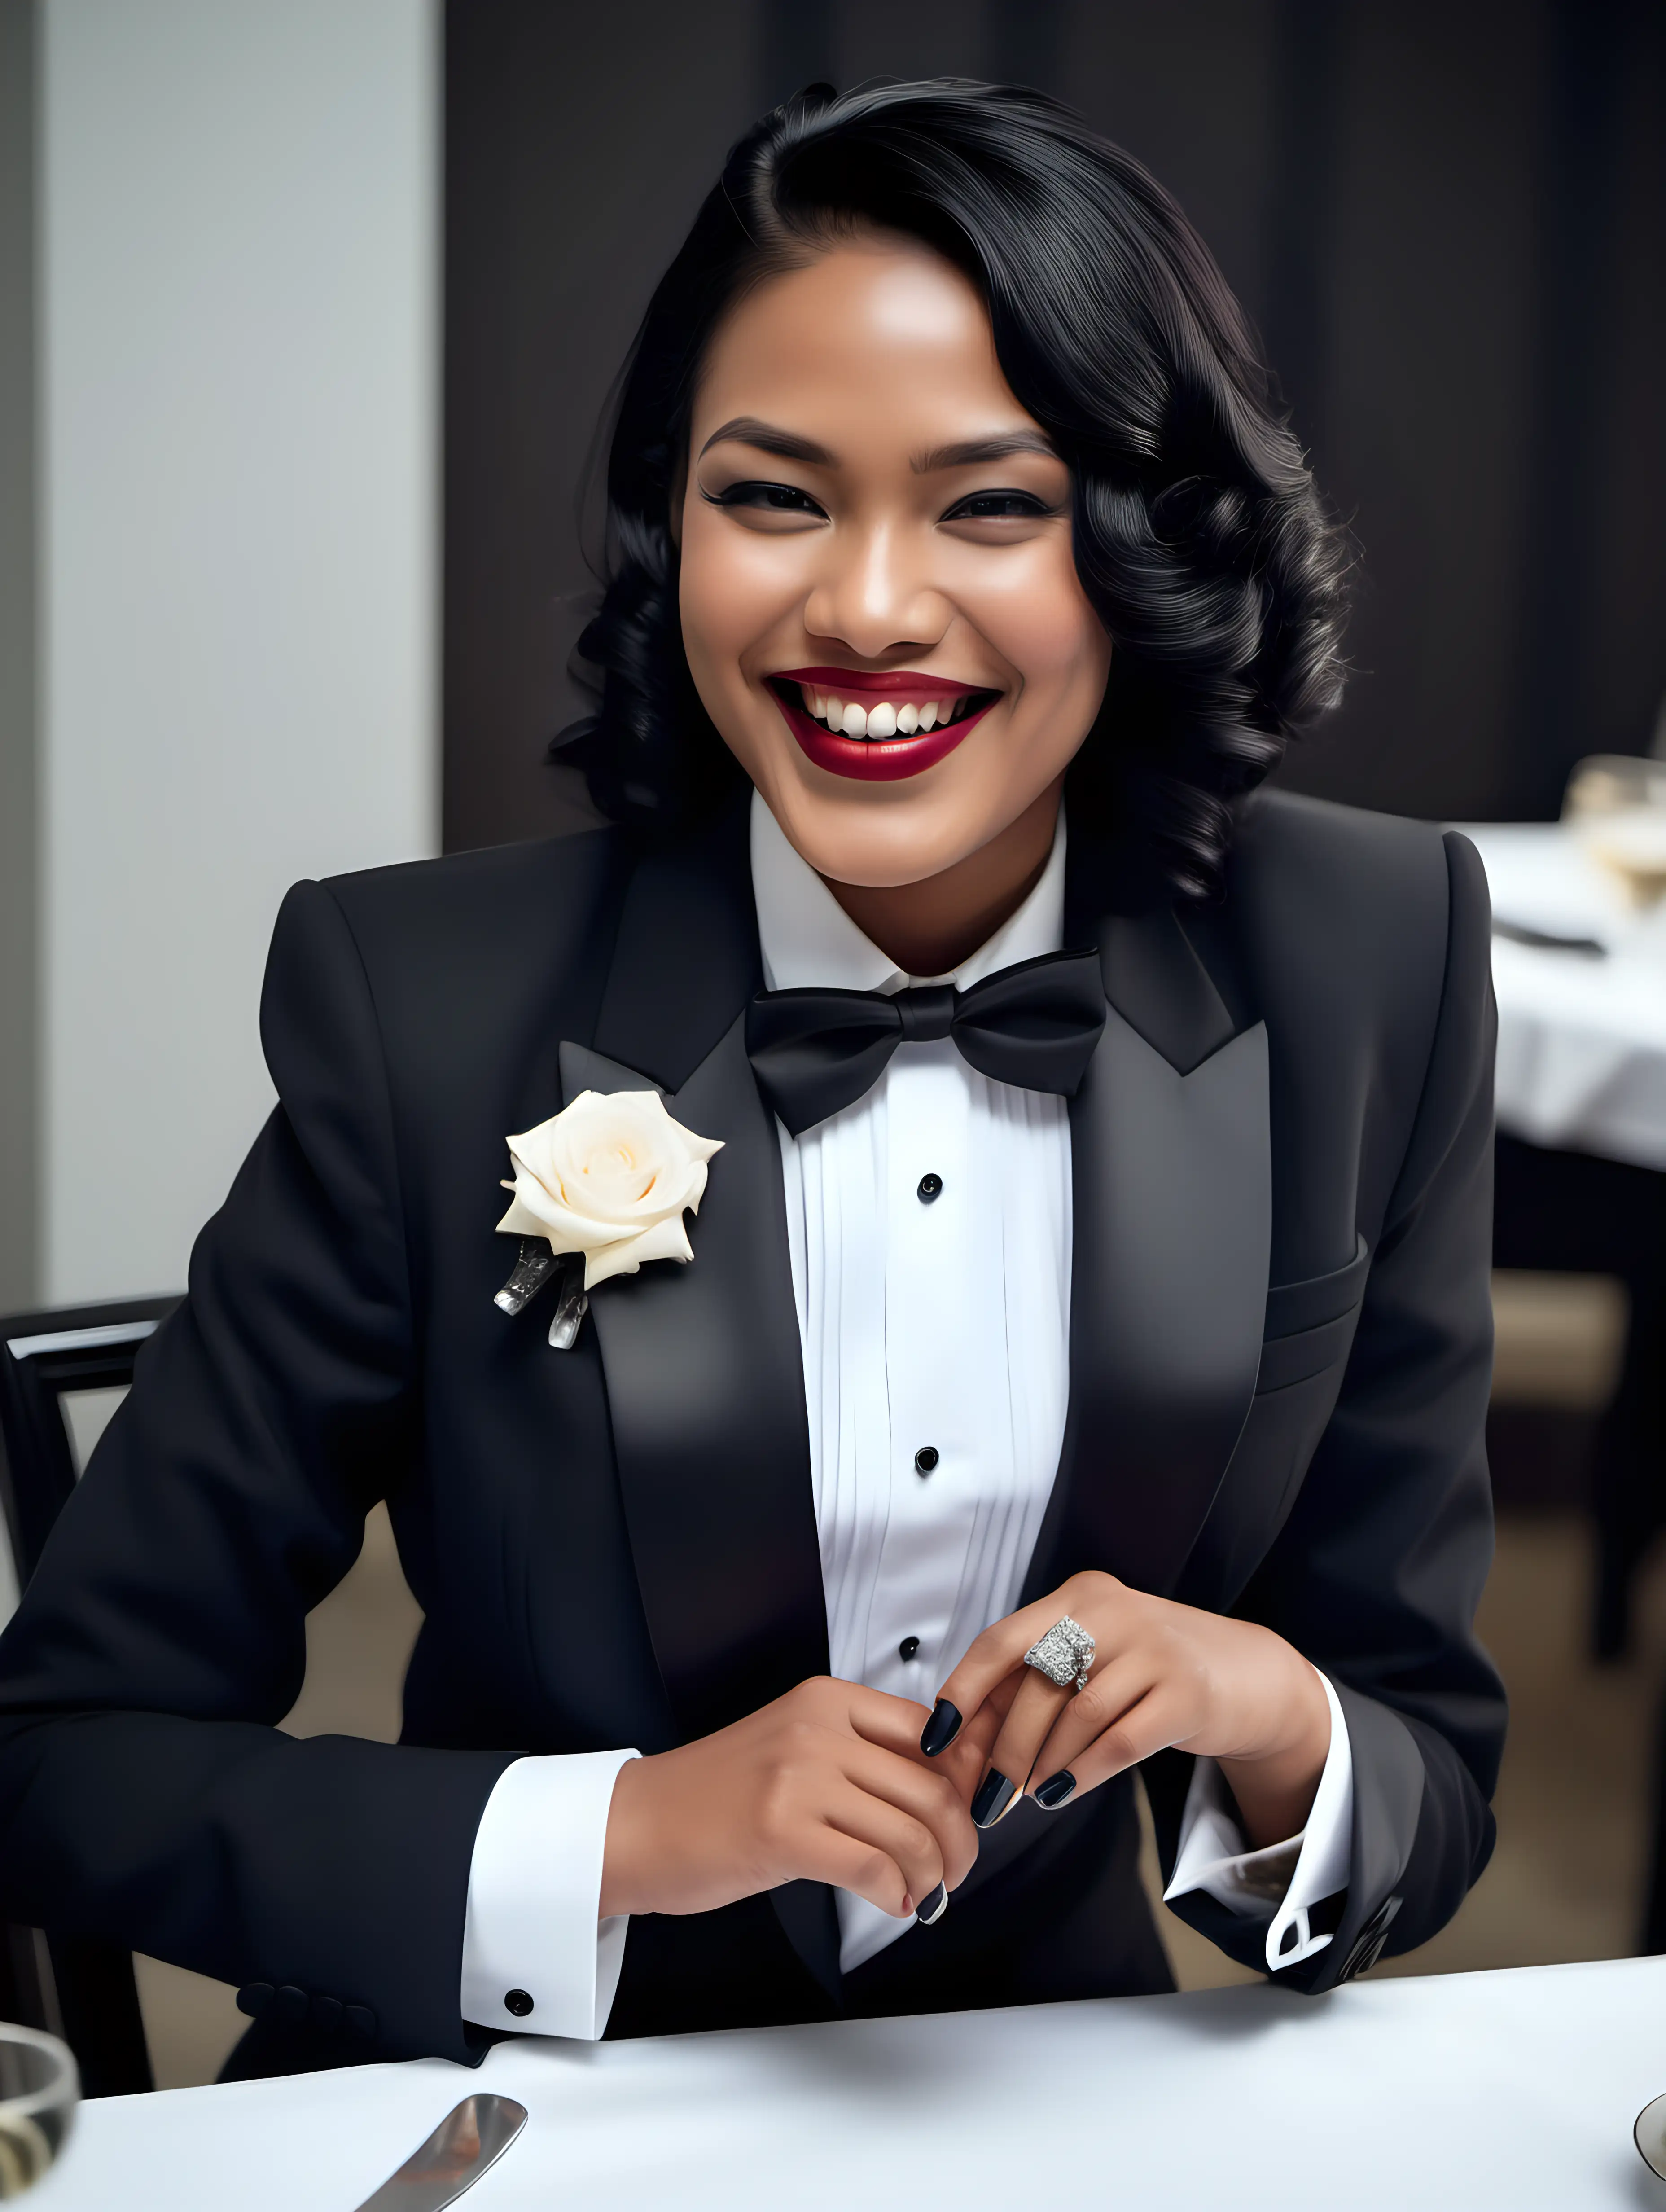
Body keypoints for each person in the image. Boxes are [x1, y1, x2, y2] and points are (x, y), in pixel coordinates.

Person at [0, 80, 1504, 2078]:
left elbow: (1427, 1770)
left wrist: (1261, 1708)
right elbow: (68, 1761)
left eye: (990, 502)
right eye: (773, 495)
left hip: (1033, 2095)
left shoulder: (1364, 957)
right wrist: (623, 1834)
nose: (865, 605)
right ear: (668, 524)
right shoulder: (425, 1003)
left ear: (1143, 545)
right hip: (512, 2093)